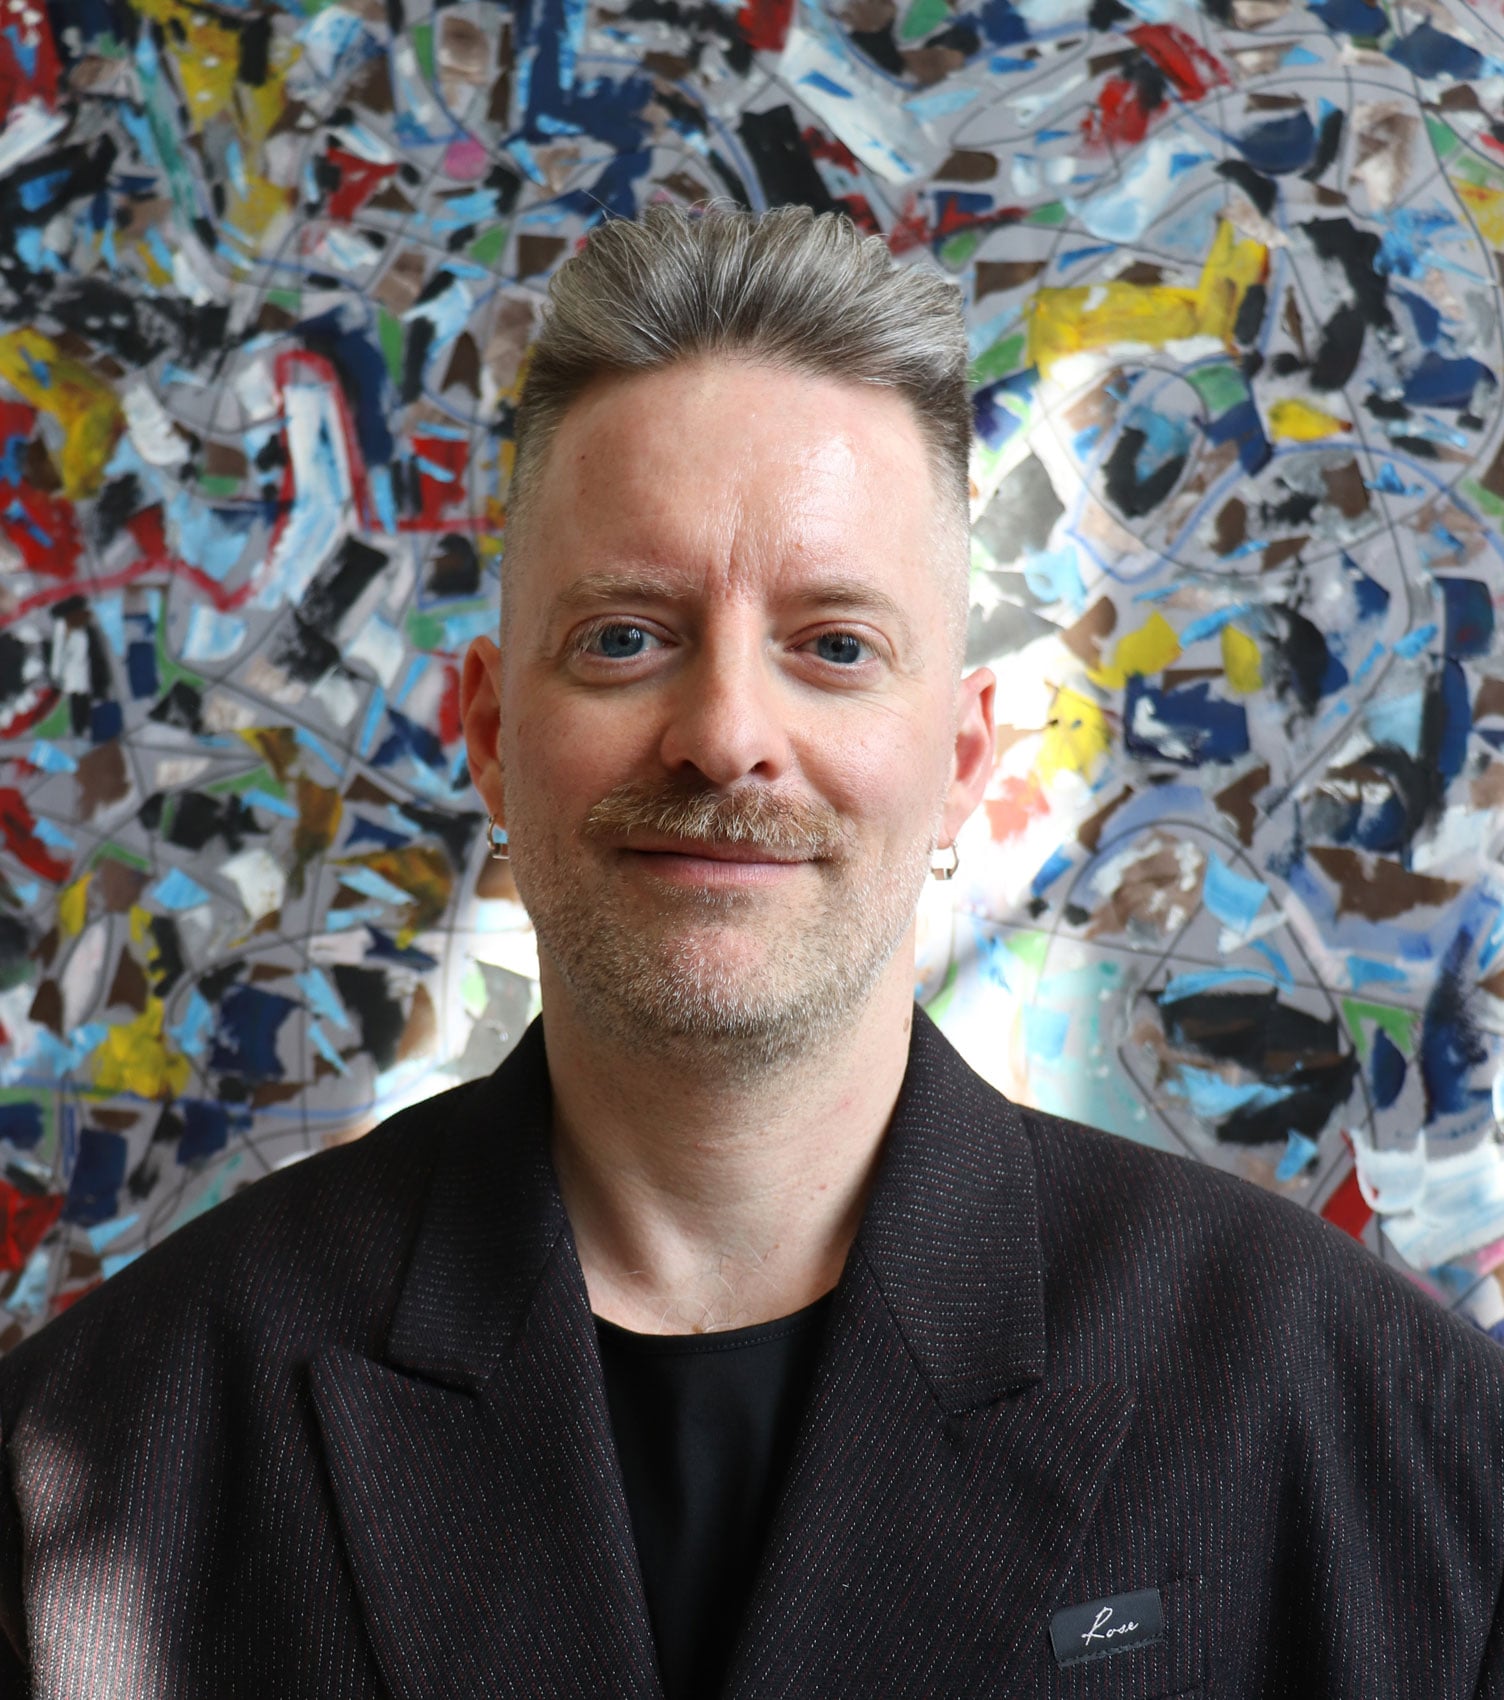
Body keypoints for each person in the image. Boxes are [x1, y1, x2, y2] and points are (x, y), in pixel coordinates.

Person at [0, 203, 1501, 1700]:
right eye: (625, 637)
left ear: (962, 760)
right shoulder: (97, 1458)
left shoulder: (1395, 1441)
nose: (725, 735)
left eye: (835, 646)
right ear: (492, 736)